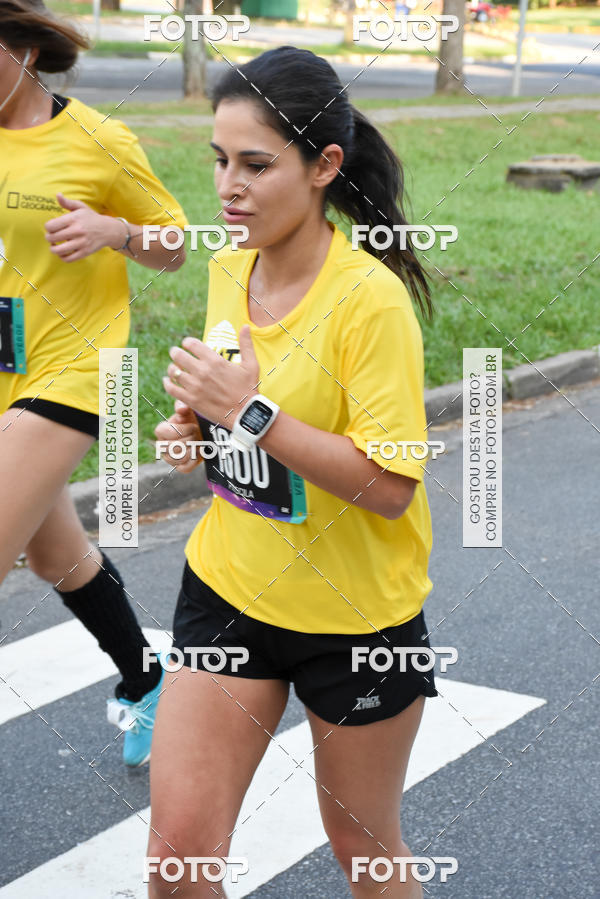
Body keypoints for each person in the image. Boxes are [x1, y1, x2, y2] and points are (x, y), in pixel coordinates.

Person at [149, 45, 437, 898]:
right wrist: (199, 433)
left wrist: (249, 413)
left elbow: (390, 487)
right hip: (228, 589)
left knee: (364, 850)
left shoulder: (368, 301)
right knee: (177, 863)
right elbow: (244, 439)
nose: (227, 186)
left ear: (324, 167)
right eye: (219, 160)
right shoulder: (227, 267)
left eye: (255, 164)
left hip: (356, 623)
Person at [0, 0, 188, 766]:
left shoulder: (99, 141)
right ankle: (148, 679)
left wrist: (119, 233)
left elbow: (174, 241)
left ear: (26, 52)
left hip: (73, 369)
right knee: (54, 557)